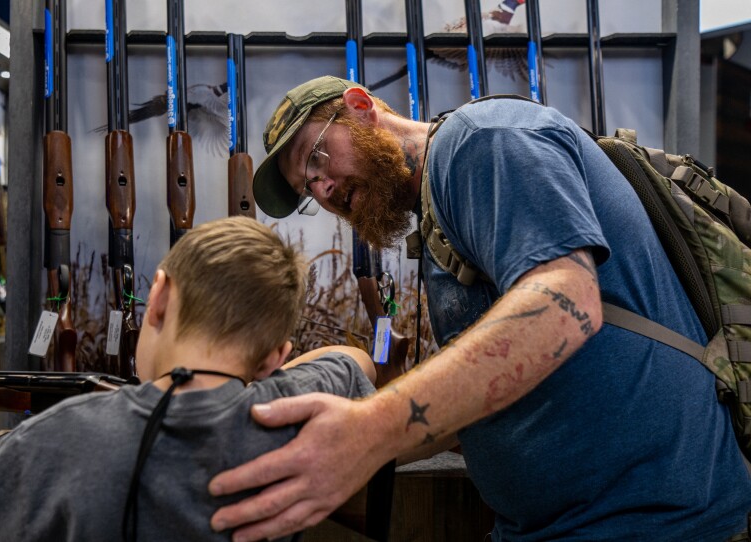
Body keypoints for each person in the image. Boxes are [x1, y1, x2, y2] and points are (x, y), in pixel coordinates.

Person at [207, 76, 751, 541]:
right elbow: (489, 395)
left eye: (316, 158)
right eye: (309, 189)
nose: (323, 189)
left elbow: (566, 303)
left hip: (655, 525)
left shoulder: (482, 141)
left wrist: (369, 430)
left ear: (359, 106)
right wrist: (328, 442)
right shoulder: (441, 206)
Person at [0, 216, 377, 542]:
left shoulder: (68, 434)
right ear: (276, 357)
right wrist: (257, 386)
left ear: (158, 296)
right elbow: (354, 360)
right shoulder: (290, 419)